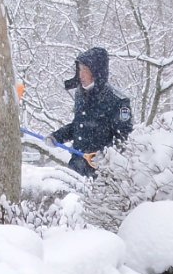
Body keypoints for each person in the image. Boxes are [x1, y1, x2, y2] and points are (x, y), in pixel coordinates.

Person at [44, 46, 133, 176]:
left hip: (103, 174)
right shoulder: (81, 94)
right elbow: (78, 125)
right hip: (76, 168)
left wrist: (103, 155)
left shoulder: (118, 101)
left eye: (85, 70)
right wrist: (57, 137)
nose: (81, 75)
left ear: (97, 72)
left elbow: (124, 137)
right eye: (80, 69)